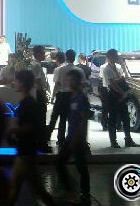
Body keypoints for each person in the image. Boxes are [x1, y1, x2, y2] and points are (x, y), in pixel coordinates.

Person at [7, 70, 56, 206]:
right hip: (27, 150)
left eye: (16, 80)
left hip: (25, 151)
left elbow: (29, 127)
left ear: (22, 83)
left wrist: (13, 131)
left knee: (19, 187)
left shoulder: (27, 103)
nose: (14, 83)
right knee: (32, 187)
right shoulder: (28, 102)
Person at [56, 70, 91, 205]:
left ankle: (83, 193)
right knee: (61, 162)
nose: (70, 83)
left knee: (80, 167)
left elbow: (83, 120)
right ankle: (72, 190)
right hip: (70, 137)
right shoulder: (72, 97)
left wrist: (78, 137)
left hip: (77, 139)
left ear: (78, 81)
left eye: (72, 80)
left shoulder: (81, 98)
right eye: (68, 80)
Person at [103, 49, 140, 148]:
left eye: (117, 56)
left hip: (121, 95)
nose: (117, 57)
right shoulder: (107, 69)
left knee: (125, 118)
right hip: (113, 95)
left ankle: (128, 139)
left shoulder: (117, 67)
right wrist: (122, 93)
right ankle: (113, 141)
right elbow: (112, 84)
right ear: (110, 57)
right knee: (113, 119)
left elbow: (122, 79)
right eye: (115, 56)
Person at [32, 45, 50, 152]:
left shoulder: (34, 64)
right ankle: (42, 144)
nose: (44, 55)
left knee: (39, 119)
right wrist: (44, 97)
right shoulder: (37, 66)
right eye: (43, 53)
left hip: (36, 93)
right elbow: (38, 82)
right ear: (38, 54)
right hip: (39, 94)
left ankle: (40, 143)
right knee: (41, 119)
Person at [47, 52, 68, 149]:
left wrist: (52, 97)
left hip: (60, 95)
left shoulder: (58, 70)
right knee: (63, 119)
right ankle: (61, 139)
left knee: (54, 117)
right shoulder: (69, 69)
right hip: (68, 96)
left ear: (57, 59)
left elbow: (56, 84)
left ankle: (47, 136)